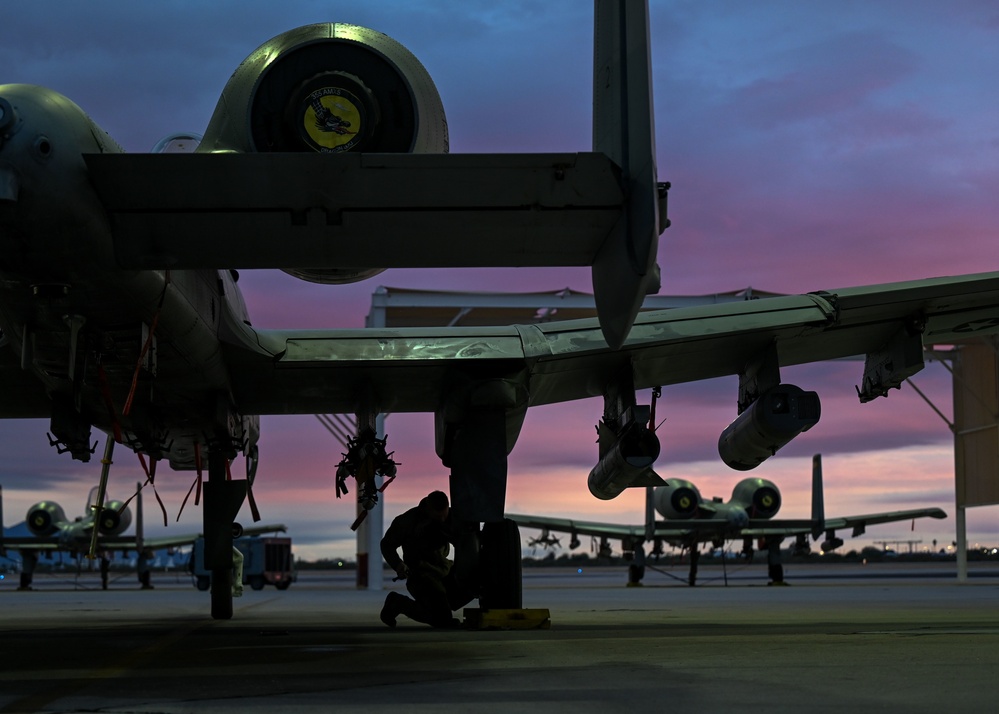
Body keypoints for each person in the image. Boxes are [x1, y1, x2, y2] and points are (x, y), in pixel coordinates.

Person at [379, 490, 473, 628]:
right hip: (422, 576)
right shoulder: (408, 521)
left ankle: (441, 605)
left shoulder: (454, 518)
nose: (442, 520)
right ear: (428, 509)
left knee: (474, 584)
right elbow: (387, 544)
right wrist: (398, 565)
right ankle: (398, 603)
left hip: (444, 571)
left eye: (444, 516)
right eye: (437, 517)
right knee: (442, 620)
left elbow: (464, 543)